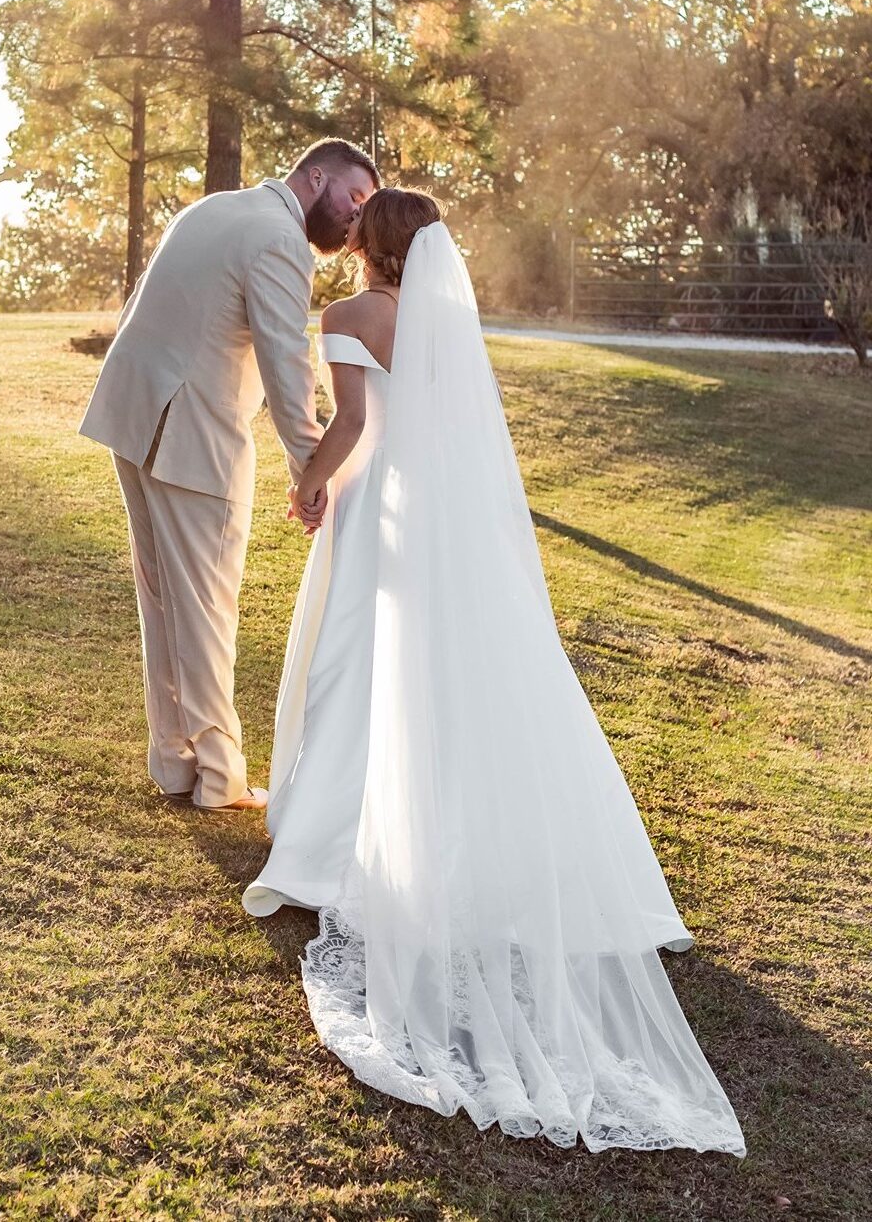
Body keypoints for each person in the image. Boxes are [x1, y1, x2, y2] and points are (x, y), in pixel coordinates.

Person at [243, 188, 746, 1155]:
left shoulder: (346, 317)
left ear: (366, 244)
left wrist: (311, 481)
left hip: (384, 512)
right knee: (451, 685)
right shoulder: (444, 315)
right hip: (451, 524)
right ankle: (457, 839)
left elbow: (349, 425)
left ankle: (334, 846)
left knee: (360, 674)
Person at [78, 139, 379, 810]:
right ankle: (219, 778)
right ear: (318, 176)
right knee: (207, 606)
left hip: (135, 415)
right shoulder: (279, 240)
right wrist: (311, 473)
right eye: (354, 198)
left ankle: (174, 761)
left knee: (164, 603)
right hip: (189, 433)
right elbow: (286, 365)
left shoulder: (213, 209)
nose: (357, 218)